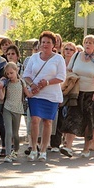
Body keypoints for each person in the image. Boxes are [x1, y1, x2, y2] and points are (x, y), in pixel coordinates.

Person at [23, 31, 66, 162]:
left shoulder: (58, 59)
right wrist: (33, 84)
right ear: (40, 44)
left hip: (51, 94)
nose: (45, 44)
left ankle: (43, 150)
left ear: (54, 44)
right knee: (35, 119)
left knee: (48, 121)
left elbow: (61, 77)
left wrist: (47, 82)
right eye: (43, 42)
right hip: (36, 94)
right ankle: (34, 148)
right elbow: (26, 75)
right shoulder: (34, 58)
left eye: (48, 42)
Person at [60, 35, 94, 158]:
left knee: (88, 121)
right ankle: (68, 147)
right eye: (86, 42)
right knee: (72, 117)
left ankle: (86, 149)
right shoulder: (76, 56)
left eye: (90, 43)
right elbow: (68, 71)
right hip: (76, 93)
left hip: (90, 94)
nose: (87, 44)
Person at [0, 62, 33, 163]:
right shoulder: (6, 83)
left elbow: (28, 94)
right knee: (8, 132)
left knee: (15, 134)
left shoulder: (22, 82)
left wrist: (37, 90)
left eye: (11, 73)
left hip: (17, 110)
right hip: (7, 109)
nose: (9, 75)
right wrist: (0, 88)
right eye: (7, 74)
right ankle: (8, 154)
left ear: (16, 70)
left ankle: (15, 150)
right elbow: (1, 97)